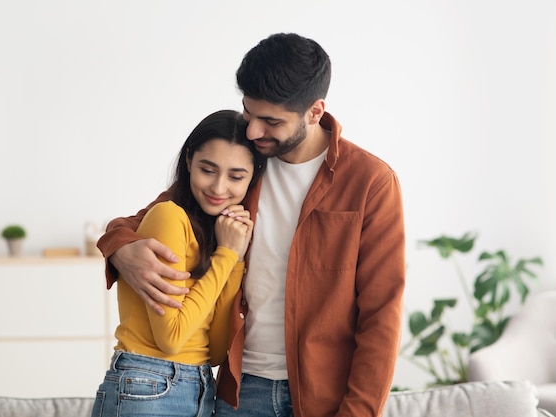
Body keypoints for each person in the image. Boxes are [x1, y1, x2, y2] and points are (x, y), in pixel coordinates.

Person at [97, 33, 406, 417]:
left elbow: (381, 314)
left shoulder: (369, 182)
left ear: (314, 111)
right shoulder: (242, 164)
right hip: (239, 393)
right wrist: (121, 250)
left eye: (271, 121)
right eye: (248, 113)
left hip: (322, 396)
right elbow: (132, 223)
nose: (254, 130)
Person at [90, 109, 266, 417]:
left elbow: (213, 351)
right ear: (188, 162)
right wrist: (226, 258)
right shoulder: (168, 217)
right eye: (207, 170)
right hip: (147, 384)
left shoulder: (216, 237)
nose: (218, 188)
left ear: (252, 178)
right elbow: (171, 338)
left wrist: (234, 259)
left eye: (236, 177)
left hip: (197, 387)